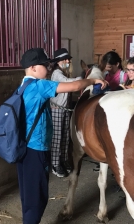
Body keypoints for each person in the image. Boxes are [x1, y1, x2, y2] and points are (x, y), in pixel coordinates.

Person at [17, 48, 107, 224]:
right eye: (45, 65)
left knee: (28, 194)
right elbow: (74, 86)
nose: (48, 68)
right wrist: (94, 79)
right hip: (36, 148)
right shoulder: (39, 85)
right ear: (34, 67)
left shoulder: (23, 85)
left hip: (24, 147)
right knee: (37, 196)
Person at [50, 48, 81, 178]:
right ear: (58, 61)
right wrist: (82, 79)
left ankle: (63, 160)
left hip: (64, 109)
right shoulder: (57, 73)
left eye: (68, 59)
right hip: (57, 110)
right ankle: (55, 164)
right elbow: (68, 83)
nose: (68, 61)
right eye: (65, 59)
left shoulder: (64, 72)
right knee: (57, 137)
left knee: (66, 136)